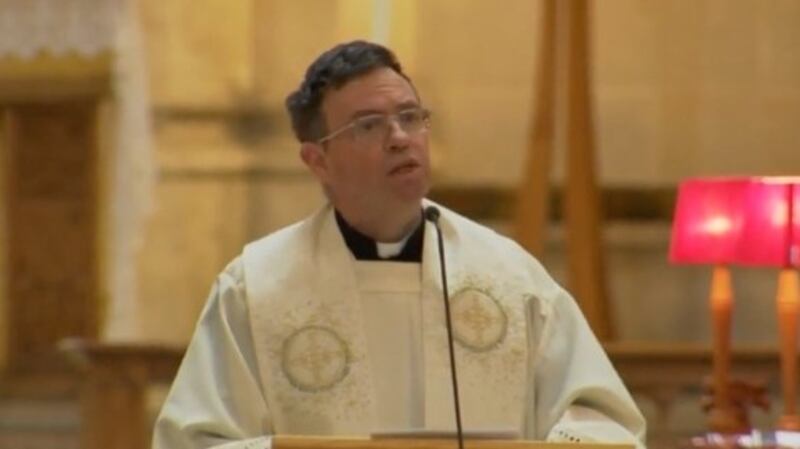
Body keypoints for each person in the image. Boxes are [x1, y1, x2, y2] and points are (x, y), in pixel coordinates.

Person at [153, 40, 646, 449]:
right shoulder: (256, 287)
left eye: (410, 117)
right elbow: (196, 440)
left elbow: (604, 425)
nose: (399, 137)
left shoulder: (508, 276)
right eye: (368, 125)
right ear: (317, 160)